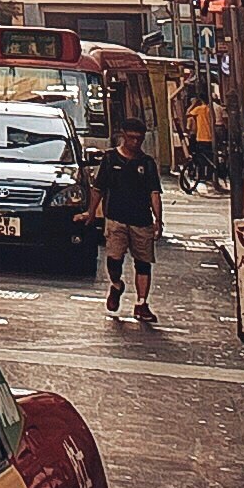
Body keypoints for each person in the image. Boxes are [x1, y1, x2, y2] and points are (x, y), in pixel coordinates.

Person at [96, 105, 163, 327]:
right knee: (114, 259)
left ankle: (142, 303)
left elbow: (154, 193)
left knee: (143, 263)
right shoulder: (110, 159)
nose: (135, 142)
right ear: (123, 136)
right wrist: (90, 211)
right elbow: (99, 187)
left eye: (139, 138)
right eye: (131, 138)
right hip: (116, 218)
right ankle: (116, 285)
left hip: (141, 221)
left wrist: (158, 221)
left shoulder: (147, 163)